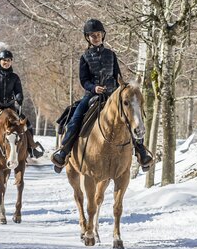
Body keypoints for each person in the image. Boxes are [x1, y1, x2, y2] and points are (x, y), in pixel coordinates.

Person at [51, 19, 153, 173]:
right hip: (92, 95)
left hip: (113, 95)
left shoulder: (111, 55)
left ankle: (141, 151)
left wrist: (123, 88)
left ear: (103, 35)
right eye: (92, 35)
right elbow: (84, 80)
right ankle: (64, 152)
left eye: (98, 34)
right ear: (88, 38)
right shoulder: (85, 57)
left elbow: (118, 76)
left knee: (131, 116)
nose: (96, 37)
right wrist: (94, 88)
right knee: (75, 119)